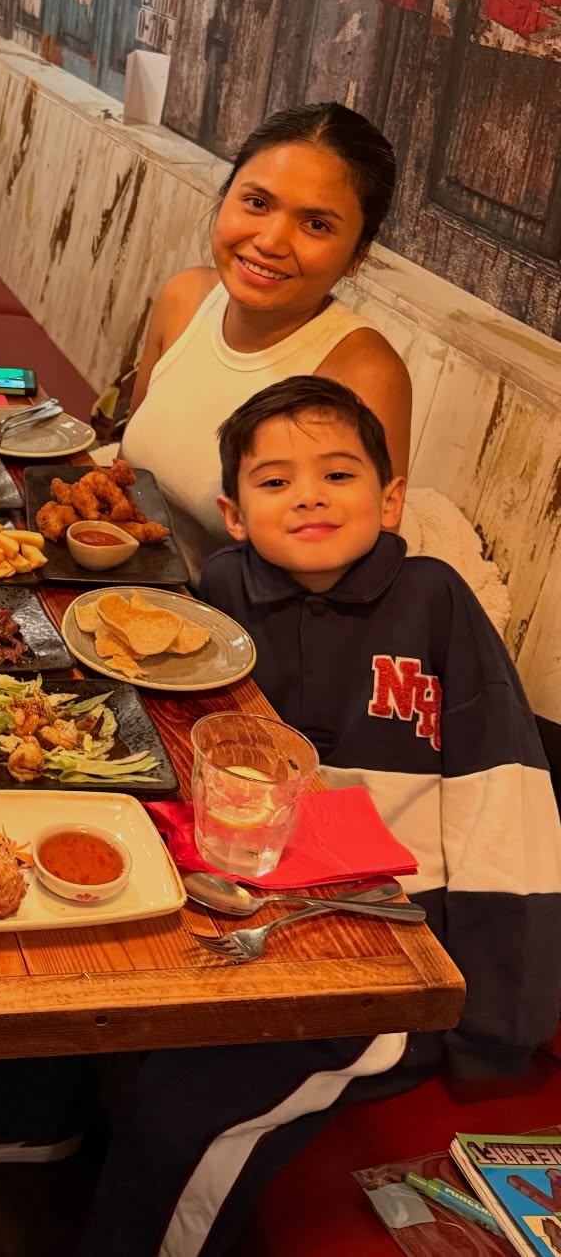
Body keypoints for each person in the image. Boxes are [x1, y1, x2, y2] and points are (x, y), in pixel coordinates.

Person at [78, 376, 561, 1257]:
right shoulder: (221, 588)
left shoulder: (436, 601)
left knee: (189, 1113)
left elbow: (508, 797)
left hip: (390, 953)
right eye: (275, 481)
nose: (308, 495)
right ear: (233, 513)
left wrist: (494, 1020)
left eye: (338, 474)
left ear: (391, 497)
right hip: (254, 917)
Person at [121, 103, 412, 580]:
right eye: (257, 203)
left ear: (357, 256)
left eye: (316, 225)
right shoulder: (185, 299)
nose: (271, 242)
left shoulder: (364, 373)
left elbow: (359, 583)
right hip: (119, 589)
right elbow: (123, 477)